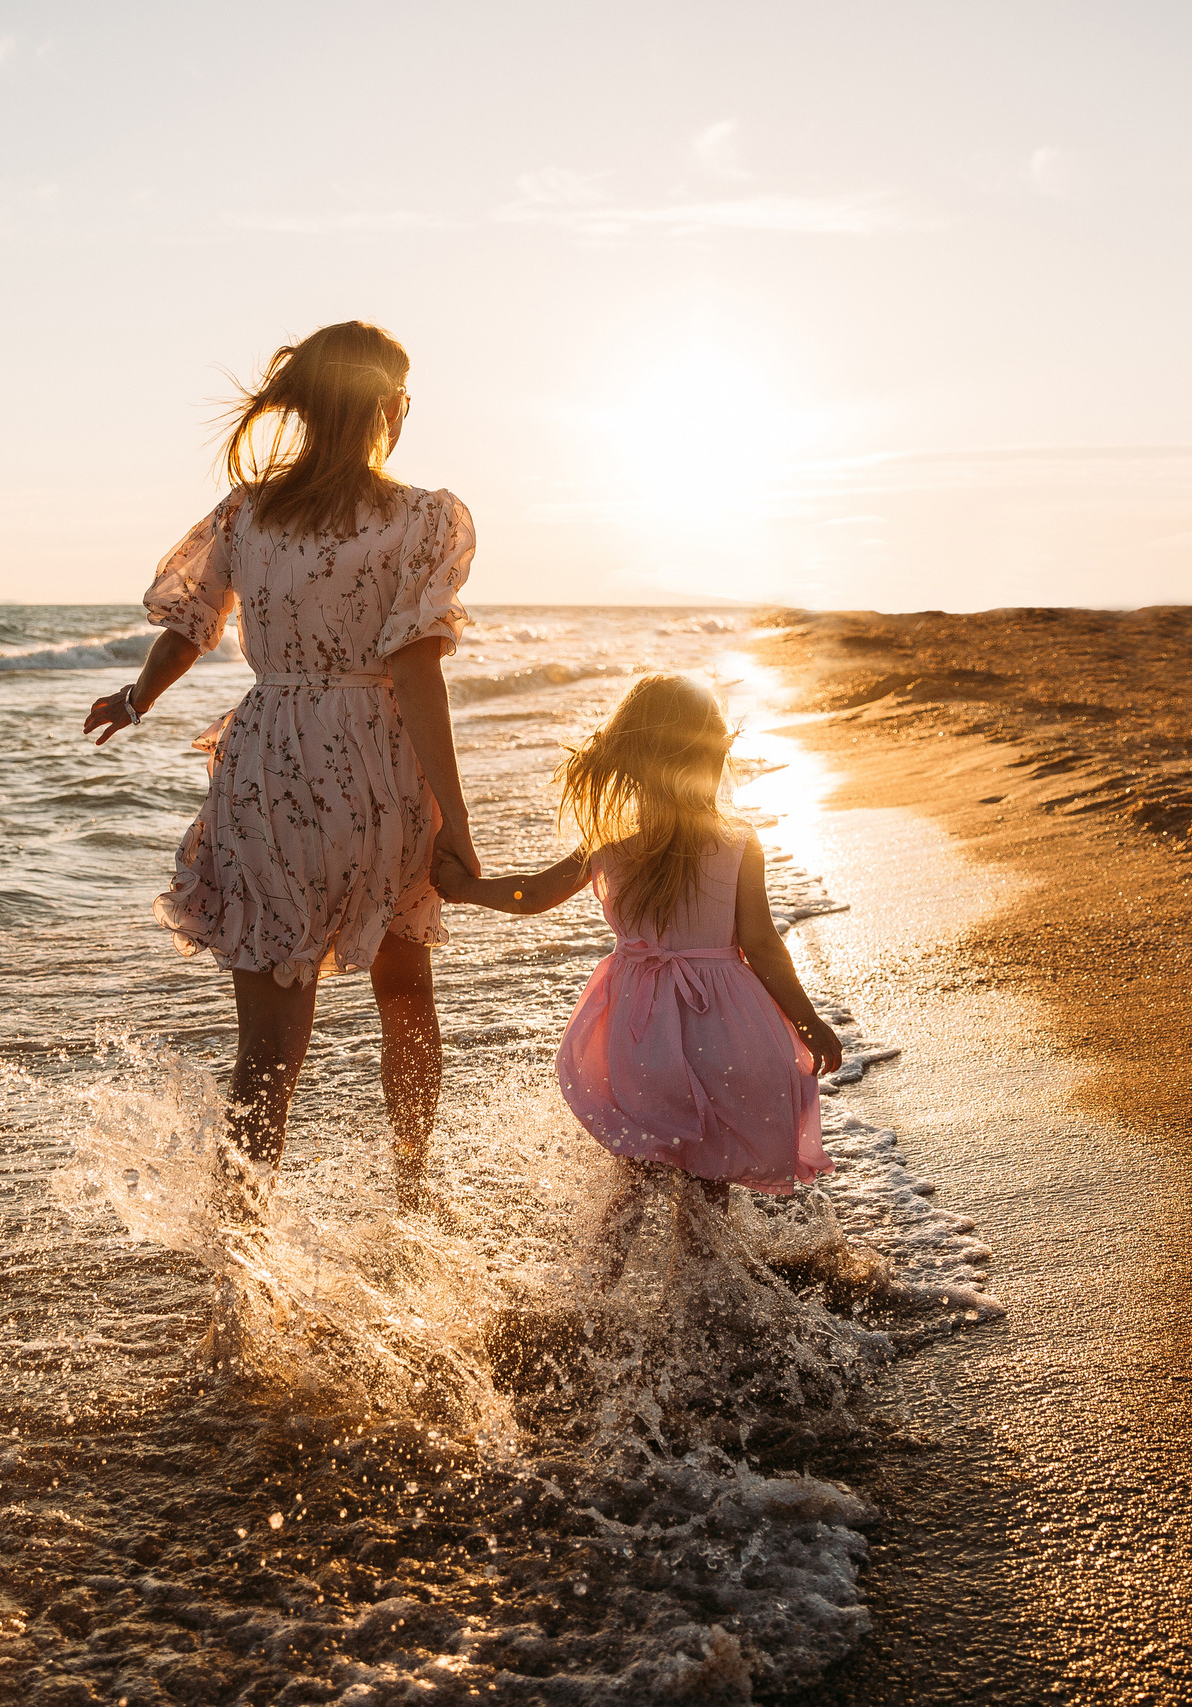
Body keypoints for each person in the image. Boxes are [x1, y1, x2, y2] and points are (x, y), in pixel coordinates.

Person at [84, 321, 479, 1213]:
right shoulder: (424, 517)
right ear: (386, 408)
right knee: (406, 995)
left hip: (269, 767)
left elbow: (192, 622)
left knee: (267, 1046)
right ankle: (411, 1194)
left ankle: (242, 1248)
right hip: (377, 766)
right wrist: (455, 820)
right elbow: (416, 665)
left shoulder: (249, 511)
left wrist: (139, 699)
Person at [433, 674, 841, 1258]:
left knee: (638, 1175)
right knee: (707, 1185)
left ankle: (598, 1300)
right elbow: (763, 944)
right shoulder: (736, 842)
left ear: (631, 761)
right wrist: (807, 1021)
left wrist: (463, 887)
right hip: (726, 1027)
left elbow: (532, 895)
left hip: (641, 1033)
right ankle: (705, 1299)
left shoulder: (613, 847)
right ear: (716, 754)